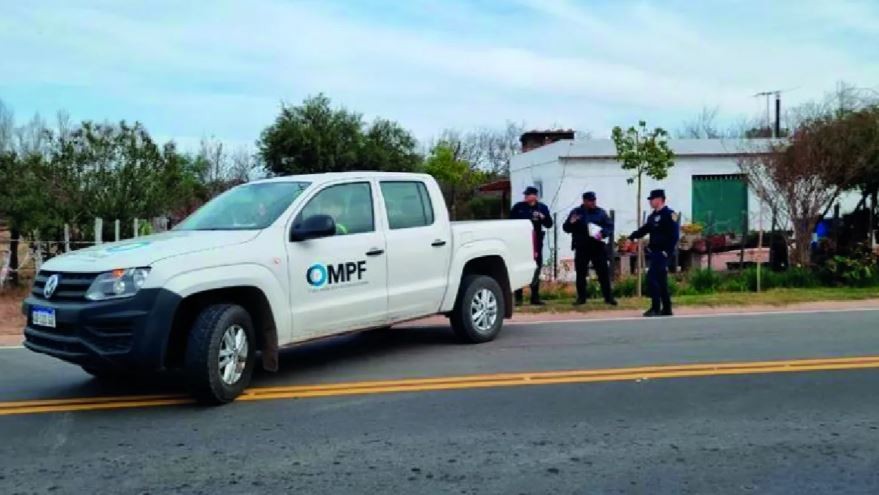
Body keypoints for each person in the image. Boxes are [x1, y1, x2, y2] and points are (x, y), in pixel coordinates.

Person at [628, 189, 680, 317]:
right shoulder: (652, 216)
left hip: (663, 253)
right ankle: (667, 308)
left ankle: (655, 308)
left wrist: (667, 252)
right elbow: (645, 229)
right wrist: (631, 237)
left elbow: (674, 235)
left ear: (660, 199)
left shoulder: (670, 214)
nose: (650, 202)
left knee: (652, 278)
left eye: (652, 199)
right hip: (654, 251)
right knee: (661, 281)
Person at [563, 192, 617, 306]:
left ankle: (608, 297)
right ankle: (581, 298)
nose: (593, 203)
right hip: (582, 247)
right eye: (590, 201)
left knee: (603, 273)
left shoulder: (601, 212)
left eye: (594, 200)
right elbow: (566, 228)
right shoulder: (576, 212)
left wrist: (603, 233)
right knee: (581, 273)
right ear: (584, 201)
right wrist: (571, 222)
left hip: (597, 247)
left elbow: (609, 226)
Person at [510, 186, 553, 305]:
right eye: (525, 194)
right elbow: (510, 222)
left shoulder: (542, 207)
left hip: (536, 242)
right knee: (519, 267)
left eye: (528, 194)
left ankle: (535, 297)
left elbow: (549, 224)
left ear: (535, 196)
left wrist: (542, 217)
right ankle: (518, 298)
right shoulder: (518, 207)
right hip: (520, 242)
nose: (526, 196)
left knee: (536, 268)